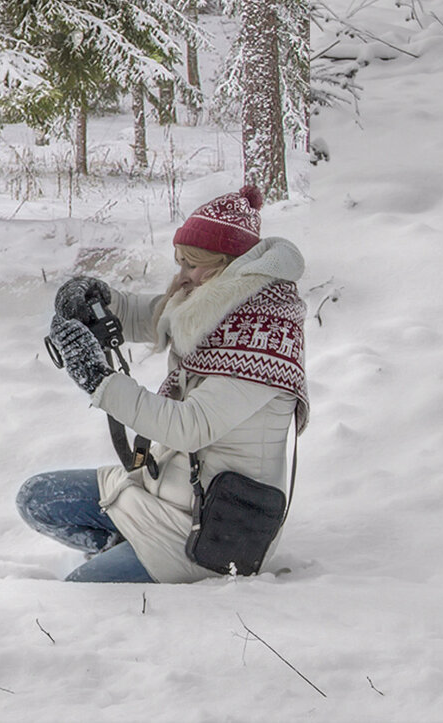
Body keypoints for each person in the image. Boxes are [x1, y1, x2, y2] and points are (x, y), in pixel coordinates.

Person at [18, 186, 309, 583]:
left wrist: (100, 381)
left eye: (192, 264)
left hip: (208, 531)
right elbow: (159, 316)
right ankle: (123, 547)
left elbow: (188, 428)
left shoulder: (262, 338)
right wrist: (100, 300)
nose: (183, 275)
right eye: (181, 262)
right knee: (36, 498)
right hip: (159, 487)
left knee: (81, 592)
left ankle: (144, 562)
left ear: (228, 267)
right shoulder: (219, 303)